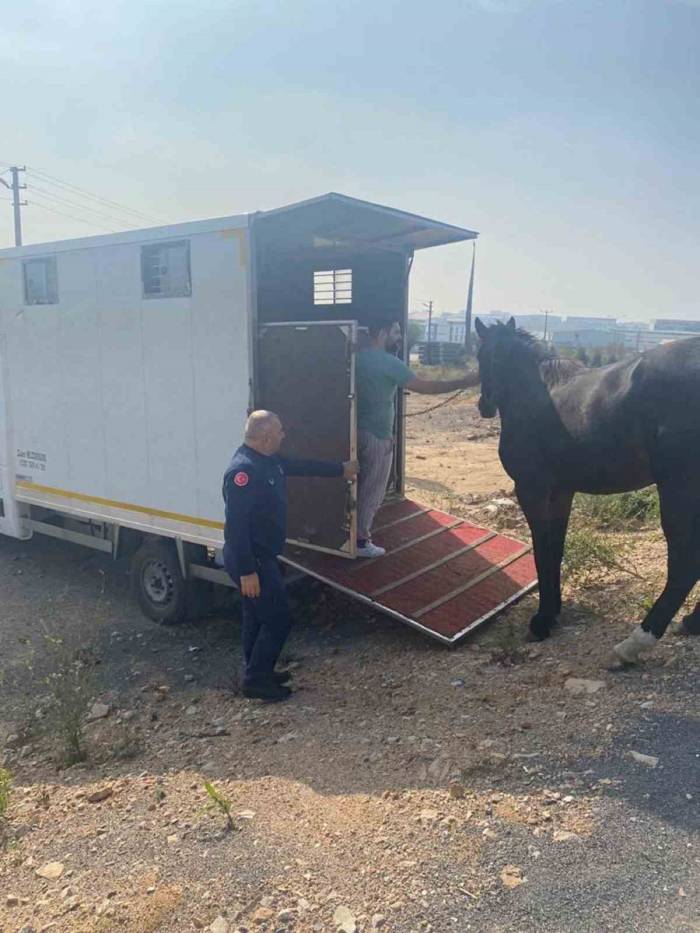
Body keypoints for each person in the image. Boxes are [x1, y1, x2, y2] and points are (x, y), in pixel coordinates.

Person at [222, 410, 358, 702]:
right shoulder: (243, 473)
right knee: (279, 619)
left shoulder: (267, 460)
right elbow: (236, 527)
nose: (284, 435)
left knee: (255, 618)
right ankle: (256, 681)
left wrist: (340, 469)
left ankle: (257, 671)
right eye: (280, 431)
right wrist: (248, 571)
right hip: (252, 560)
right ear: (266, 437)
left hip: (263, 557)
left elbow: (301, 465)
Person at [355, 318, 479, 557]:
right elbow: (426, 387)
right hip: (378, 435)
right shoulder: (390, 363)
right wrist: (465, 381)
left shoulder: (356, 359)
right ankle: (361, 541)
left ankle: (348, 533)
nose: (400, 337)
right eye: (396, 331)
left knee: (353, 485)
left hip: (353, 431)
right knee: (372, 489)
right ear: (381, 332)